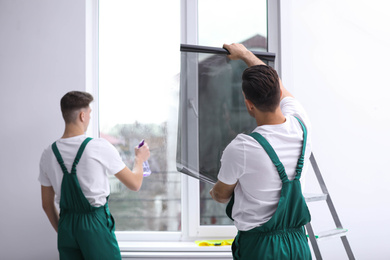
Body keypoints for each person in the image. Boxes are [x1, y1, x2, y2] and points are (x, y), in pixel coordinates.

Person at [209, 43, 312, 259]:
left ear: (249, 105)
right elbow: (280, 86)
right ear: (278, 94)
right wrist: (246, 54)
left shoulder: (243, 147)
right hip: (299, 244)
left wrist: (217, 190)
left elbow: (220, 196)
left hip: (261, 249)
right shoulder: (301, 123)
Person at [39, 91, 150, 260]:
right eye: (89, 113)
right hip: (94, 225)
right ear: (82, 115)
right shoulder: (98, 147)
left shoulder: (48, 154)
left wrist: (64, 230)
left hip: (66, 226)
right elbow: (135, 184)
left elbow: (47, 205)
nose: (90, 118)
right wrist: (139, 160)